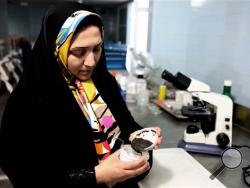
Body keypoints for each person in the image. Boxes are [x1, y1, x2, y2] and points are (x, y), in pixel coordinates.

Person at [0, 2, 163, 188]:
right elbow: (25, 173)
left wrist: (138, 135)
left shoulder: (104, 83)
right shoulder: (29, 99)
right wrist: (96, 175)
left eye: (97, 49)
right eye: (79, 52)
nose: (91, 62)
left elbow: (125, 124)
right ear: (56, 48)